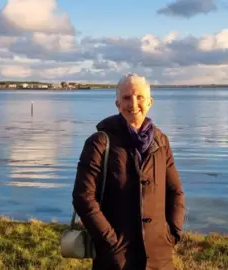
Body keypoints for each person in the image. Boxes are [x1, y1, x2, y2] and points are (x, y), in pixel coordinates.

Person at [72, 73, 186, 270]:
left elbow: (175, 191)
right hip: (116, 258)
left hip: (160, 256)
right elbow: (83, 197)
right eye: (126, 98)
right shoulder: (99, 142)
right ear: (117, 104)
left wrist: (173, 232)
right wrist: (110, 241)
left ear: (150, 102)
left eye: (139, 97)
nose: (133, 103)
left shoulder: (161, 141)